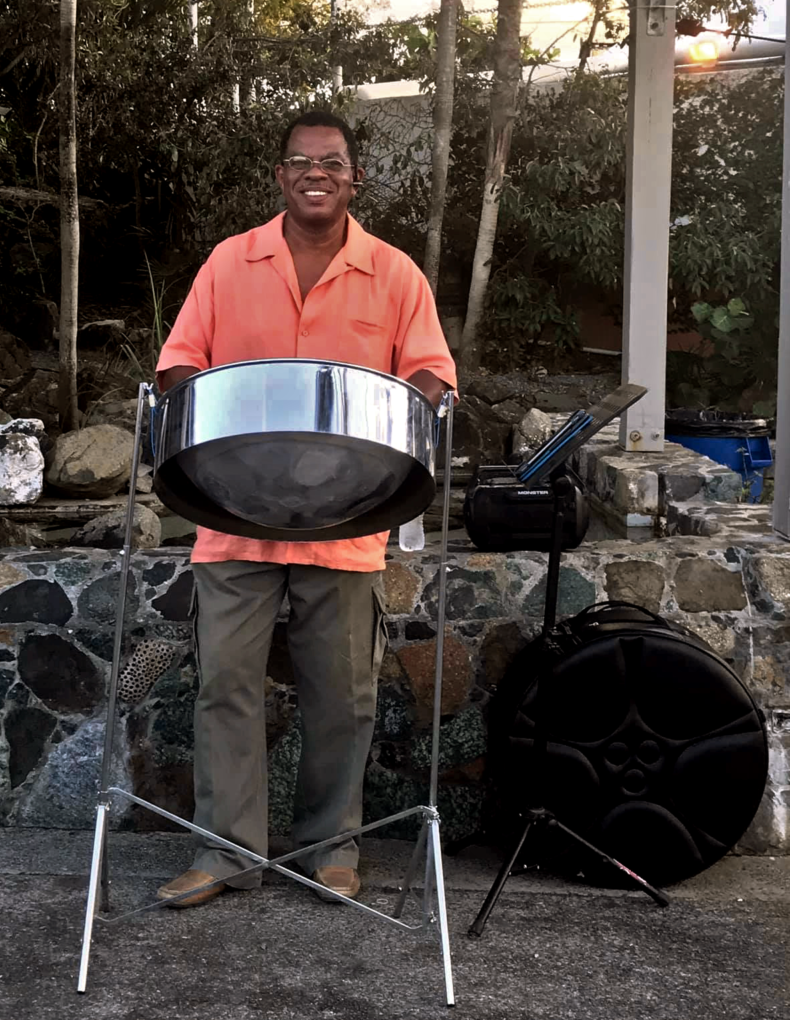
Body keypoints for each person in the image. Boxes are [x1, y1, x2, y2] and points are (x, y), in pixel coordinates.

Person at [155, 110, 457, 907]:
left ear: (354, 177)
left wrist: (413, 420)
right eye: (299, 161)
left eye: (331, 161)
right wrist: (203, 425)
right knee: (224, 684)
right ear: (281, 178)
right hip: (235, 515)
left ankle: (332, 847)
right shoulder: (229, 263)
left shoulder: (393, 274)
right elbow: (180, 366)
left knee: (343, 693)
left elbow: (429, 377)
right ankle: (225, 853)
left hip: (345, 519)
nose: (315, 172)